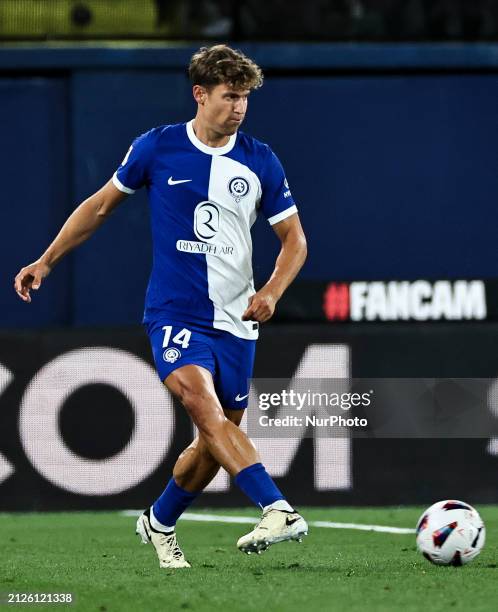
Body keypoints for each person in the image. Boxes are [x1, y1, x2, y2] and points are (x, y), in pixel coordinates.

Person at [14, 44, 308, 569]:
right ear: (200, 94)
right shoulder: (158, 147)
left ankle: (159, 521)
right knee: (201, 403)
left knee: (216, 440)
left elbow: (295, 242)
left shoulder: (261, 160)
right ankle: (277, 507)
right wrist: (47, 259)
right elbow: (101, 205)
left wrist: (270, 293)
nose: (240, 107)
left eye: (245, 98)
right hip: (174, 312)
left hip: (236, 320)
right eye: (230, 96)